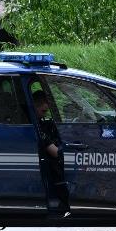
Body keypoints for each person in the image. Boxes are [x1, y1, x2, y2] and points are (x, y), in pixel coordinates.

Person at [32, 88, 70, 217]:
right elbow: (56, 153)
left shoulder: (40, 124)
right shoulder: (36, 128)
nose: (46, 111)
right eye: (44, 110)